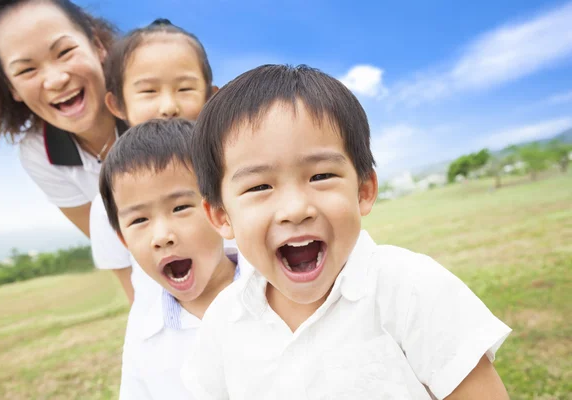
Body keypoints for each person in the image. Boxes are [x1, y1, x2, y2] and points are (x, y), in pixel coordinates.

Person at [182, 64, 512, 399]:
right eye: (260, 186)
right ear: (222, 216)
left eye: (321, 176)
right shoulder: (222, 323)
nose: (296, 209)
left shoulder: (411, 288)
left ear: (364, 190)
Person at [0, 0, 136, 296]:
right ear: (12, 88)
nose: (56, 79)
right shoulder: (39, 154)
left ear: (97, 46)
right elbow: (124, 251)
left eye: (64, 52)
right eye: (26, 70)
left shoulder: (155, 106)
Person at [99, 118, 246, 399]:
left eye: (180, 208)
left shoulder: (277, 290)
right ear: (123, 240)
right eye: (139, 219)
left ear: (221, 209)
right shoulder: (144, 333)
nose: (162, 236)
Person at [90, 18, 217, 308]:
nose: (168, 107)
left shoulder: (236, 174)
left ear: (210, 97)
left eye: (185, 89)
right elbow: (137, 300)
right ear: (117, 105)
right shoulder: (107, 204)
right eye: (148, 92)